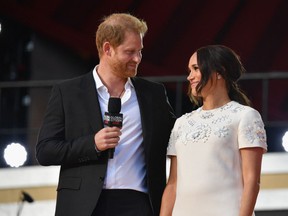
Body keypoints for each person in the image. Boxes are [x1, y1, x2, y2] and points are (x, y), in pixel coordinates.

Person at [36, 13, 176, 216]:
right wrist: (92, 143)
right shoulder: (67, 92)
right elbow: (45, 151)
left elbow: (177, 135)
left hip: (140, 203)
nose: (137, 59)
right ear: (107, 49)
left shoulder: (153, 94)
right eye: (130, 52)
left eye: (140, 52)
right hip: (83, 205)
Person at [160, 45, 267, 216]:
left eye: (195, 68)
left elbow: (252, 180)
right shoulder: (181, 123)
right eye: (189, 70)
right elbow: (173, 184)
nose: (189, 76)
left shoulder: (245, 116)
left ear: (219, 71)